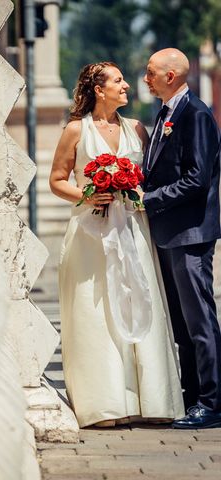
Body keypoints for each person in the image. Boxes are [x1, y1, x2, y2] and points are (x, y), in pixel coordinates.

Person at [49, 62, 184, 428]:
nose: (127, 85)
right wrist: (86, 195)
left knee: (140, 300)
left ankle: (153, 400)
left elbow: (151, 177)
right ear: (98, 89)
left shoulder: (137, 129)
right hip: (90, 234)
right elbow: (57, 180)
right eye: (119, 80)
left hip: (134, 229)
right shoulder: (76, 130)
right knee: (96, 312)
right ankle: (105, 405)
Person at [141, 48, 221, 429]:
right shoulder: (164, 114)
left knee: (200, 322)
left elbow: (197, 178)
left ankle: (213, 402)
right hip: (168, 234)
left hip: (190, 235)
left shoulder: (197, 115)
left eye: (150, 72)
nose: (145, 78)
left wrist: (149, 199)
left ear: (170, 76)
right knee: (181, 325)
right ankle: (191, 398)